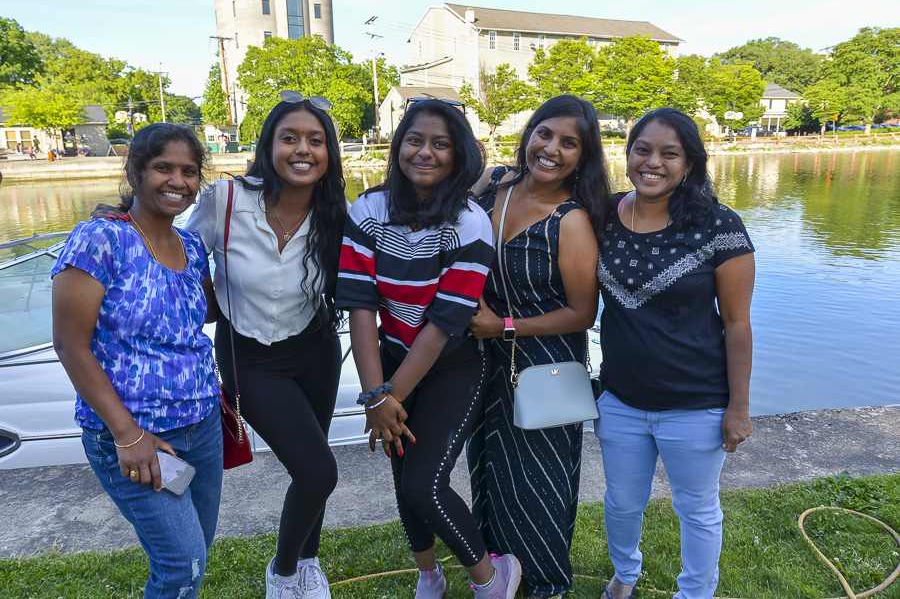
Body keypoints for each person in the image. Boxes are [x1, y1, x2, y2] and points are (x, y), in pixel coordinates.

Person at [93, 93, 347, 599]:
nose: (303, 149)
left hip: (316, 350)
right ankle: (282, 573)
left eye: (316, 141)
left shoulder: (337, 212)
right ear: (268, 146)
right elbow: (174, 247)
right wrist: (124, 217)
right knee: (318, 473)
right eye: (290, 138)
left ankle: (308, 562)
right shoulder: (226, 199)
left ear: (329, 153)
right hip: (250, 357)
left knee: (312, 465)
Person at [335, 98, 522, 599]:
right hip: (390, 362)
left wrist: (387, 399)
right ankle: (429, 574)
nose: (425, 152)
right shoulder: (369, 209)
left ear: (459, 155)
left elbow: (442, 326)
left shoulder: (470, 223)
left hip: (452, 366)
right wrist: (376, 394)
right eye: (415, 140)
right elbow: (360, 306)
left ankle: (492, 579)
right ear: (399, 146)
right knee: (403, 478)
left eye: (441, 144)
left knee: (423, 483)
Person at [51, 123, 222, 599]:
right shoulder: (100, 239)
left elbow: (206, 312)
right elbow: (69, 345)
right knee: (182, 564)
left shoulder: (191, 247)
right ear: (136, 172)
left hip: (202, 426)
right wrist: (128, 435)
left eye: (189, 171)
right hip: (134, 434)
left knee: (195, 555)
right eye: (164, 168)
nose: (178, 181)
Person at [594, 107, 755, 599]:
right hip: (621, 399)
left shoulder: (719, 225)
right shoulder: (602, 215)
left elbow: (737, 323)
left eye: (670, 154)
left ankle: (695, 593)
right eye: (642, 150)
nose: (653, 163)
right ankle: (624, 575)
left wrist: (739, 408)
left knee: (697, 508)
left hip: (696, 404)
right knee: (622, 503)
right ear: (627, 155)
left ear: (689, 163)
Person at [466, 94, 611, 598]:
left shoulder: (571, 219)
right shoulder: (494, 186)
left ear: (583, 156)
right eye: (544, 134)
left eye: (569, 143)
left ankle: (546, 581)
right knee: (489, 465)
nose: (551, 149)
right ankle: (497, 571)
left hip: (544, 363)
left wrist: (503, 326)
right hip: (483, 358)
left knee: (537, 480)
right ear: (529, 134)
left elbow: (582, 313)